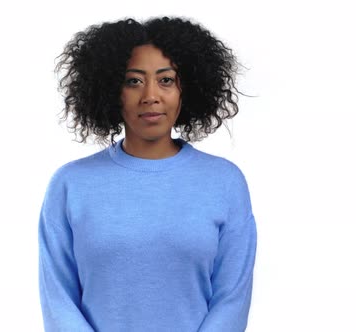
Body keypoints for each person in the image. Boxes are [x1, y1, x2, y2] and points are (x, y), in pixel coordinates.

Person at [38, 16, 257, 332]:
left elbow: (232, 300)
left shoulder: (224, 182)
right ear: (111, 89)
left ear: (187, 88)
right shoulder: (70, 184)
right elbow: (58, 300)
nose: (150, 95)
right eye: (134, 81)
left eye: (166, 80)